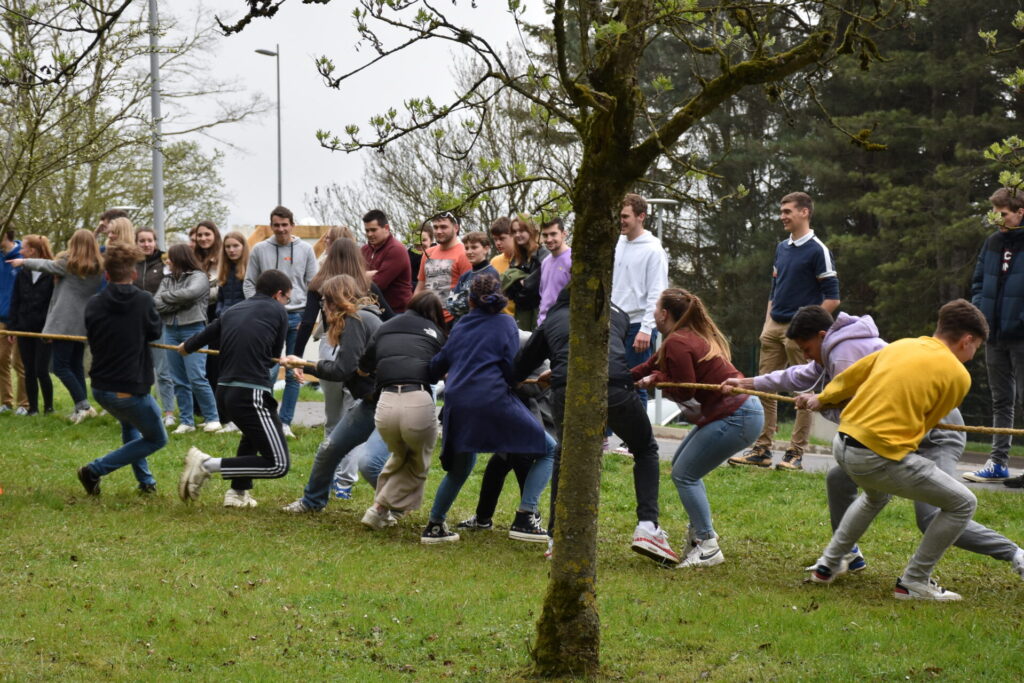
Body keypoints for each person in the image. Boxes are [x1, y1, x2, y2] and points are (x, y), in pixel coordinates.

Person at [725, 305, 1024, 578]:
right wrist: (750, 384)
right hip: (892, 431)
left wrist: (822, 403)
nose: (805, 355)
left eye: (806, 348)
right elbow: (801, 378)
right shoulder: (835, 350)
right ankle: (844, 556)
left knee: (935, 513)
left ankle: (1015, 554)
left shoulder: (845, 353)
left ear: (821, 336)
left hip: (935, 434)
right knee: (841, 480)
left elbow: (861, 413)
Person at [801, 299, 985, 601]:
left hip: (843, 444)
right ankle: (914, 582)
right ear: (967, 341)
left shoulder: (901, 346)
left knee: (874, 496)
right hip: (874, 455)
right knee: (963, 503)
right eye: (975, 347)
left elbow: (850, 378)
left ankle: (828, 564)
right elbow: (926, 424)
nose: (972, 355)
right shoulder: (959, 376)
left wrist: (822, 398)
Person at [515, 285, 678, 564]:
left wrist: (554, 369)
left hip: (568, 389)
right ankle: (647, 527)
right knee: (644, 449)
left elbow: (522, 365)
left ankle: (557, 537)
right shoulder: (620, 316)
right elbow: (604, 348)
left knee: (564, 456)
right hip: (614, 386)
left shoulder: (552, 319)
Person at [632, 289, 763, 568]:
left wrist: (656, 380)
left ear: (665, 314)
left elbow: (686, 388)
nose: (653, 313)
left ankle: (707, 545)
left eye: (655, 308)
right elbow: (645, 367)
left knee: (685, 474)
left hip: (738, 415)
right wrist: (615, 378)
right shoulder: (677, 339)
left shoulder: (679, 342)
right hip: (736, 412)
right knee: (683, 468)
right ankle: (699, 538)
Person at [422, 274, 554, 543]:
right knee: (550, 449)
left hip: (457, 403)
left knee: (460, 467)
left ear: (470, 300)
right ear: (501, 298)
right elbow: (509, 368)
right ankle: (526, 517)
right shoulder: (506, 323)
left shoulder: (460, 325)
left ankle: (434, 525)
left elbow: (437, 366)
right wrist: (523, 382)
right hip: (492, 398)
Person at [730, 191, 840, 471]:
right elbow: (774, 288)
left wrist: (808, 328)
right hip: (774, 328)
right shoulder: (782, 247)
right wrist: (768, 323)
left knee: (801, 394)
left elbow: (833, 298)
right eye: (781, 211)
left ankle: (795, 453)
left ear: (805, 212)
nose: (782, 216)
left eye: (788, 211)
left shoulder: (819, 250)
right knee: (764, 388)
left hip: (800, 332)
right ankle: (762, 450)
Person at [178, 270, 294, 507]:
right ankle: (206, 464)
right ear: (279, 294)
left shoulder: (233, 310)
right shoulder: (278, 311)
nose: (286, 303)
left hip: (224, 391)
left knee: (252, 435)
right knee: (278, 464)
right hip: (250, 391)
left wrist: (186, 347)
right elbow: (273, 354)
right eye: (287, 298)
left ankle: (237, 493)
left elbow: (201, 338)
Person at [280, 274, 383, 513]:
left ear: (338, 299)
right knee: (330, 448)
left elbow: (343, 369)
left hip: (387, 403)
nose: (322, 306)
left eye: (325, 300)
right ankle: (313, 501)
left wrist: (304, 364)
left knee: (374, 463)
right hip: (370, 401)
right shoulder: (360, 316)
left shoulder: (356, 319)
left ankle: (394, 506)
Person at [77, 242, 167, 496]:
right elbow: (155, 331)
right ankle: (94, 470)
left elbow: (92, 334)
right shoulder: (143, 301)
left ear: (106, 274)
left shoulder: (94, 303)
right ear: (135, 274)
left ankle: (146, 483)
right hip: (128, 389)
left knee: (130, 427)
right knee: (157, 438)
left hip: (100, 387)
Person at [359, 291, 447, 529]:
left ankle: (380, 512)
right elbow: (441, 368)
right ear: (434, 313)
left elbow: (364, 364)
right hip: (417, 399)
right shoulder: (435, 332)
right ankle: (379, 507)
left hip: (385, 402)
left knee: (399, 456)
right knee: (418, 463)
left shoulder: (385, 326)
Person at [11, 229, 103, 422]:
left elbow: (47, 264)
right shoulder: (97, 267)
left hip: (64, 322)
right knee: (76, 365)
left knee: (61, 367)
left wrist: (24, 262)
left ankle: (83, 406)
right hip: (84, 322)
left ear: (73, 245)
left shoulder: (69, 265)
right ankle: (83, 407)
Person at [966, 187, 1024, 483]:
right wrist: (980, 316)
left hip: (1022, 336)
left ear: (1020, 212)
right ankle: (998, 463)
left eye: (1002, 214)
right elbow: (978, 282)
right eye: (994, 214)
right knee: (1001, 400)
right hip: (994, 335)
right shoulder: (991, 243)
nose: (997, 220)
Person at [244, 206, 317, 438]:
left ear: (292, 225)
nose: (281, 229)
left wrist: (309, 317)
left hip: (297, 315)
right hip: (268, 316)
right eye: (277, 225)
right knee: (269, 368)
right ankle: (266, 418)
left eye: (285, 225)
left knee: (295, 369)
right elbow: (249, 283)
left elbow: (313, 285)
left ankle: (285, 422)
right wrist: (256, 308)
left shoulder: (305, 249)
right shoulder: (259, 249)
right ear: (271, 226)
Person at [154, 244, 220, 434]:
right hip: (170, 330)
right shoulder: (167, 280)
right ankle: (186, 421)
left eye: (170, 258)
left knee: (196, 376)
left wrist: (169, 299)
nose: (168, 261)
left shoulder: (199, 277)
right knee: (178, 379)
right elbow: (157, 303)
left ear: (180, 258)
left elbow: (192, 293)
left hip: (194, 329)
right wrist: (179, 302)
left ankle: (212, 418)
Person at [611, 194, 668, 412]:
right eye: (619, 216)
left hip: (638, 326)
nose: (621, 220)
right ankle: (604, 435)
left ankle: (638, 441)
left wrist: (646, 329)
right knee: (609, 380)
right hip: (615, 323)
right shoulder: (618, 243)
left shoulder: (653, 249)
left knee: (635, 384)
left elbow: (657, 292)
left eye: (625, 216)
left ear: (641, 216)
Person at [7, 234, 54, 415]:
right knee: (29, 369)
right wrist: (12, 327)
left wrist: (52, 330)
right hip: (24, 326)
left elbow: (53, 303)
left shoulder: (51, 273)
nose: (20, 251)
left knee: (42, 369)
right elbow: (15, 300)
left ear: (33, 250)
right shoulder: (23, 273)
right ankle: (32, 408)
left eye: (24, 248)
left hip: (44, 329)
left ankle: (48, 407)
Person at [135, 227, 176, 427]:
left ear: (155, 242)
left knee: (163, 369)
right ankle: (140, 411)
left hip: (159, 321)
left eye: (149, 240)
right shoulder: (132, 263)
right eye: (141, 241)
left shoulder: (164, 263)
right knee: (138, 369)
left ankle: (168, 412)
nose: (146, 244)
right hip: (134, 323)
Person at [211, 231, 250, 434]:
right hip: (224, 326)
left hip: (243, 327)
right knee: (223, 374)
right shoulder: (224, 272)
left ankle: (242, 419)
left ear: (243, 247)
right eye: (228, 247)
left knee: (240, 376)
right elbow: (221, 300)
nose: (232, 250)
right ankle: (227, 419)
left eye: (235, 246)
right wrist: (220, 314)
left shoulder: (250, 270)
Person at [413, 211, 471, 327]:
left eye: (444, 227)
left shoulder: (465, 254)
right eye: (436, 227)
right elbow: (420, 288)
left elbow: (469, 294)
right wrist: (412, 312)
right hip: (427, 318)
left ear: (455, 228)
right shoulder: (428, 253)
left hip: (453, 321)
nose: (439, 231)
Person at [502, 215, 549, 331]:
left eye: (522, 230)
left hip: (538, 313)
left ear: (532, 230)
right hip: (521, 313)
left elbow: (532, 288)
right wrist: (518, 284)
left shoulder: (543, 255)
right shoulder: (517, 257)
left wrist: (520, 283)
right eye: (514, 231)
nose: (517, 235)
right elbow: (508, 288)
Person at [362, 209, 412, 313]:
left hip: (397, 312)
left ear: (386, 228)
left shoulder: (396, 250)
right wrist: (366, 275)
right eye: (367, 231)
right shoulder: (364, 250)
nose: (369, 234)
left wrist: (360, 276)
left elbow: (377, 284)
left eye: (373, 230)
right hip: (373, 310)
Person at [0, 228, 27, 414]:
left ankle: (24, 403)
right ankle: (6, 401)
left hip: (19, 318)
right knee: (0, 359)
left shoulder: (23, 257)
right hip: (0, 317)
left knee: (20, 362)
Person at [445, 230, 499, 321]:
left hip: (480, 325)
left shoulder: (491, 274)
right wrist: (467, 302)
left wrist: (463, 302)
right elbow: (449, 304)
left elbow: (483, 305)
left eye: (474, 247)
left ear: (486, 249)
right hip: (461, 324)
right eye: (466, 248)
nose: (469, 252)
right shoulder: (465, 276)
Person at [537, 217, 571, 325]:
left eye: (553, 234)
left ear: (564, 233)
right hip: (543, 323)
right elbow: (543, 295)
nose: (549, 239)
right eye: (545, 235)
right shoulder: (545, 262)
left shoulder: (573, 260)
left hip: (562, 324)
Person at [488, 216, 516, 317]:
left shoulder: (525, 260)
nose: (498, 243)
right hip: (498, 316)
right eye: (495, 239)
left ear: (513, 236)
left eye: (502, 238)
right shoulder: (494, 261)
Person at [408, 222, 433, 291]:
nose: (420, 243)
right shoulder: (406, 257)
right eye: (417, 240)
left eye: (424, 240)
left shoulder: (438, 257)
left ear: (431, 241)